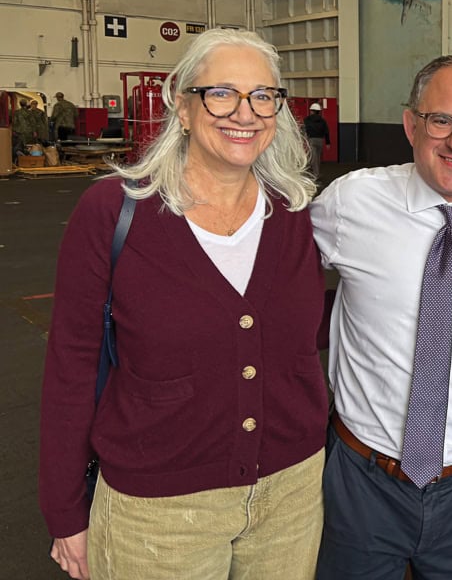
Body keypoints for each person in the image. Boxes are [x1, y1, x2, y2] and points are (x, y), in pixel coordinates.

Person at [40, 29, 327, 580]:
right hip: (158, 512)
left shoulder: (294, 214)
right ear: (184, 105)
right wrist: (64, 510)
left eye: (263, 95)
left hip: (289, 498)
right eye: (222, 93)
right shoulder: (113, 211)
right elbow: (71, 367)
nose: (245, 112)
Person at [311, 53, 452, 580]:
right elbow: (267, 285)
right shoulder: (350, 203)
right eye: (441, 121)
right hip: (361, 479)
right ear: (412, 124)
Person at [302, 102, 330, 179]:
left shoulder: (307, 120)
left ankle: (315, 173)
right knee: (317, 157)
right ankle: (315, 172)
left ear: (312, 111)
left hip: (311, 140)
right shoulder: (323, 120)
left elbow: (303, 129)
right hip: (320, 140)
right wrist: (328, 143)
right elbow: (326, 131)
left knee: (313, 157)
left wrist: (303, 138)